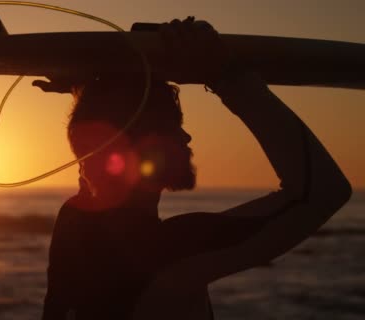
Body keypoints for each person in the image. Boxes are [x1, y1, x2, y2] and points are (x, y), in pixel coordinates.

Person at [39, 18, 352, 320]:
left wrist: (85, 87)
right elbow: (322, 191)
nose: (186, 136)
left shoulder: (74, 227)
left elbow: (96, 153)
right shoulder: (168, 255)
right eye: (172, 126)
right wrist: (224, 75)